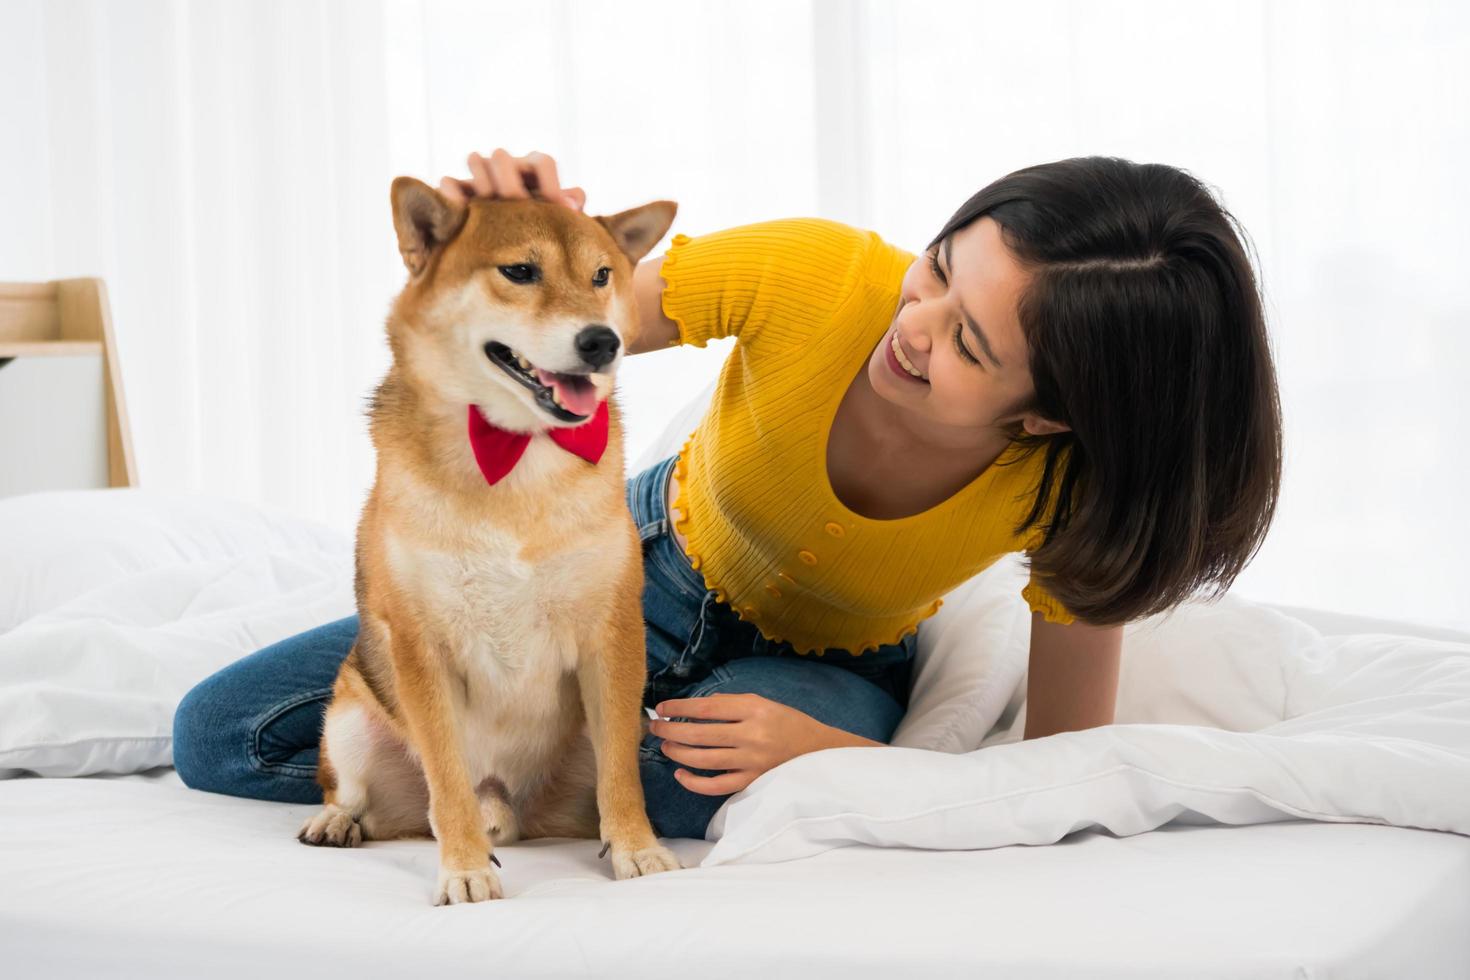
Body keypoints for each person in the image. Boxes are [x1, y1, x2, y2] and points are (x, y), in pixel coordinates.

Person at [173, 148, 1282, 841]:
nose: (914, 327)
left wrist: (833, 754)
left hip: (819, 667)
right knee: (227, 733)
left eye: (969, 345)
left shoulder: (1071, 489)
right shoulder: (816, 276)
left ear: (1049, 415)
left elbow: (1062, 762)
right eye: (939, 268)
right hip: (633, 562)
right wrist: (531, 249)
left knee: (676, 782)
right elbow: (595, 320)